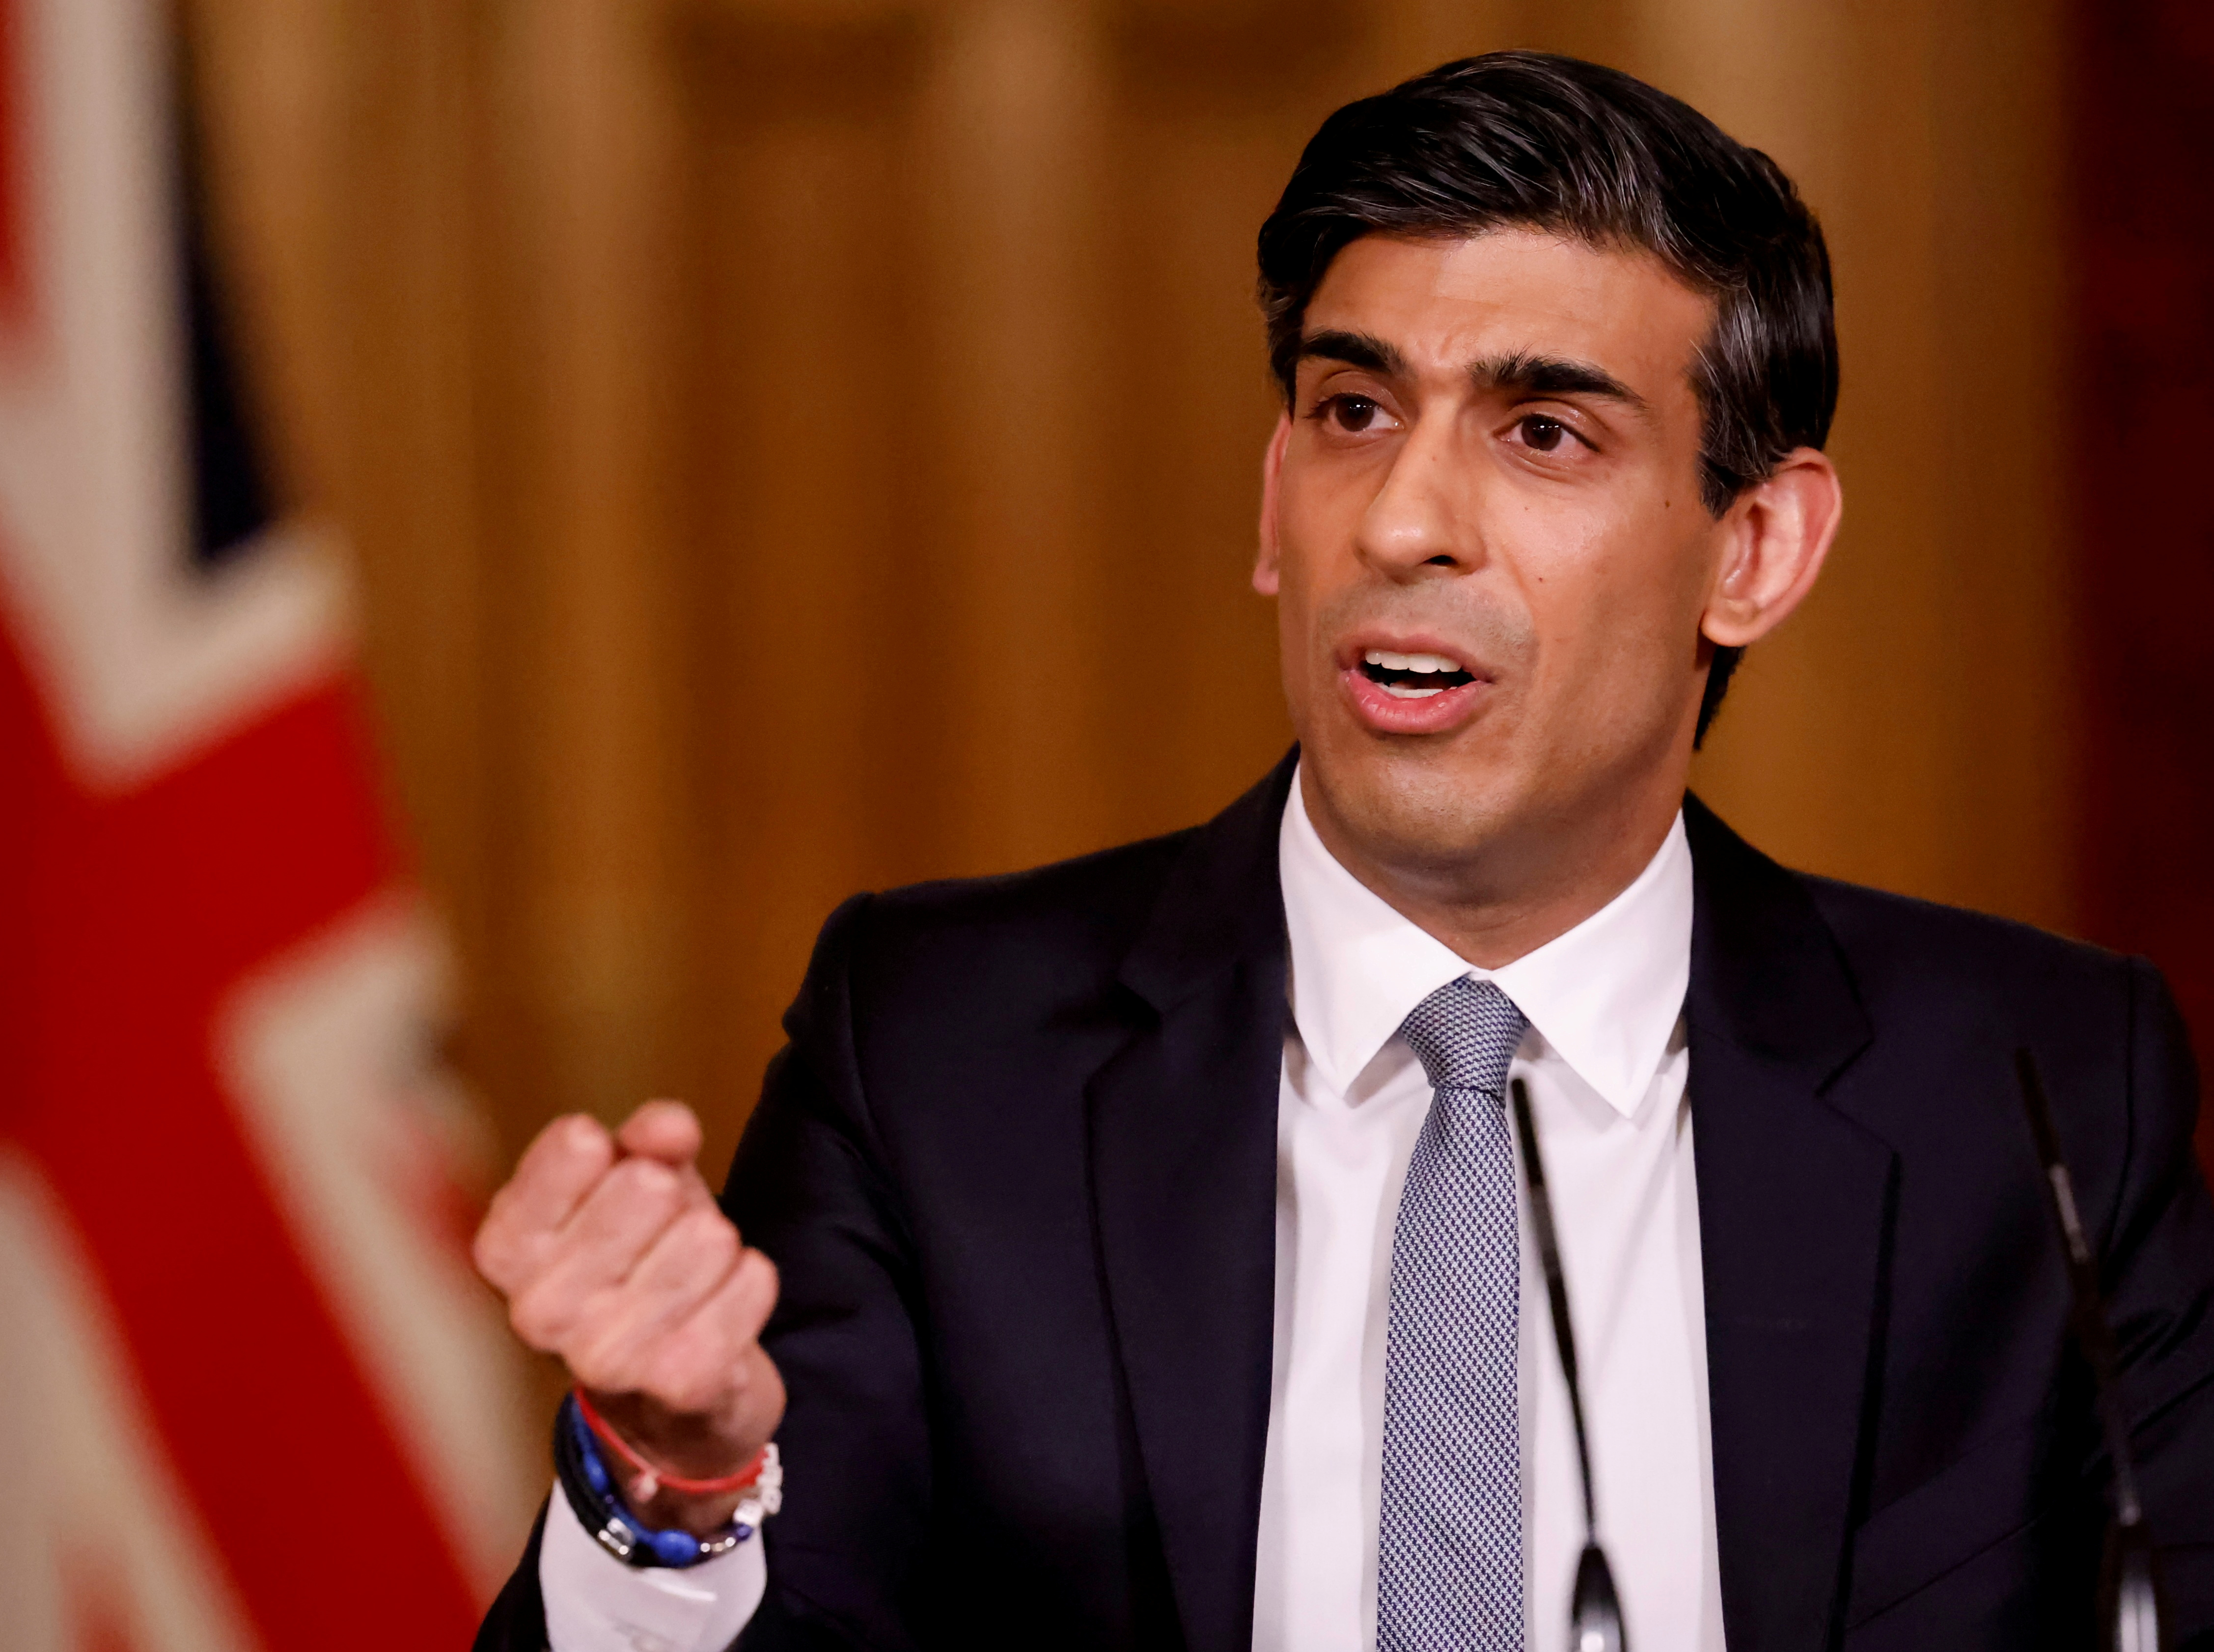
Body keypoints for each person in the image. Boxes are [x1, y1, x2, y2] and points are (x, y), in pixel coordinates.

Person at [470, 51, 2214, 1652]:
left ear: (1753, 547)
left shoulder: (2035, 1093)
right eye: (1351, 410)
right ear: (1268, 498)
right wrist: (669, 1488)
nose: (1397, 519)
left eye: (1543, 432)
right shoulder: (938, 1053)